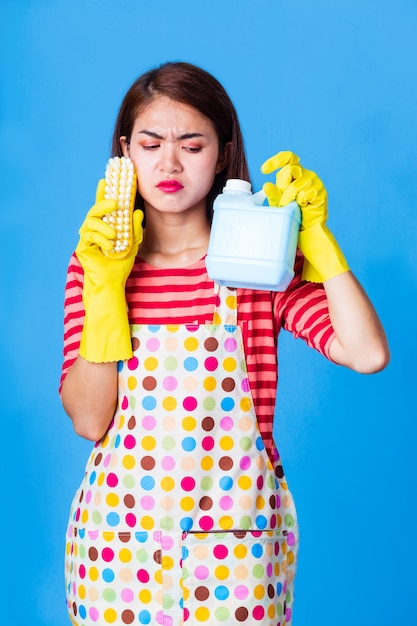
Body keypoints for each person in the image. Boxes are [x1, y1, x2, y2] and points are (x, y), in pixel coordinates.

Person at [60, 61, 389, 626]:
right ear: (125, 152)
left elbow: (367, 353)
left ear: (221, 154)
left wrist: (321, 252)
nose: (169, 163)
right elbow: (91, 421)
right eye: (151, 143)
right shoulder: (94, 268)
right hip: (117, 545)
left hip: (236, 546)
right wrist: (106, 290)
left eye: (192, 144)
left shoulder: (258, 263)